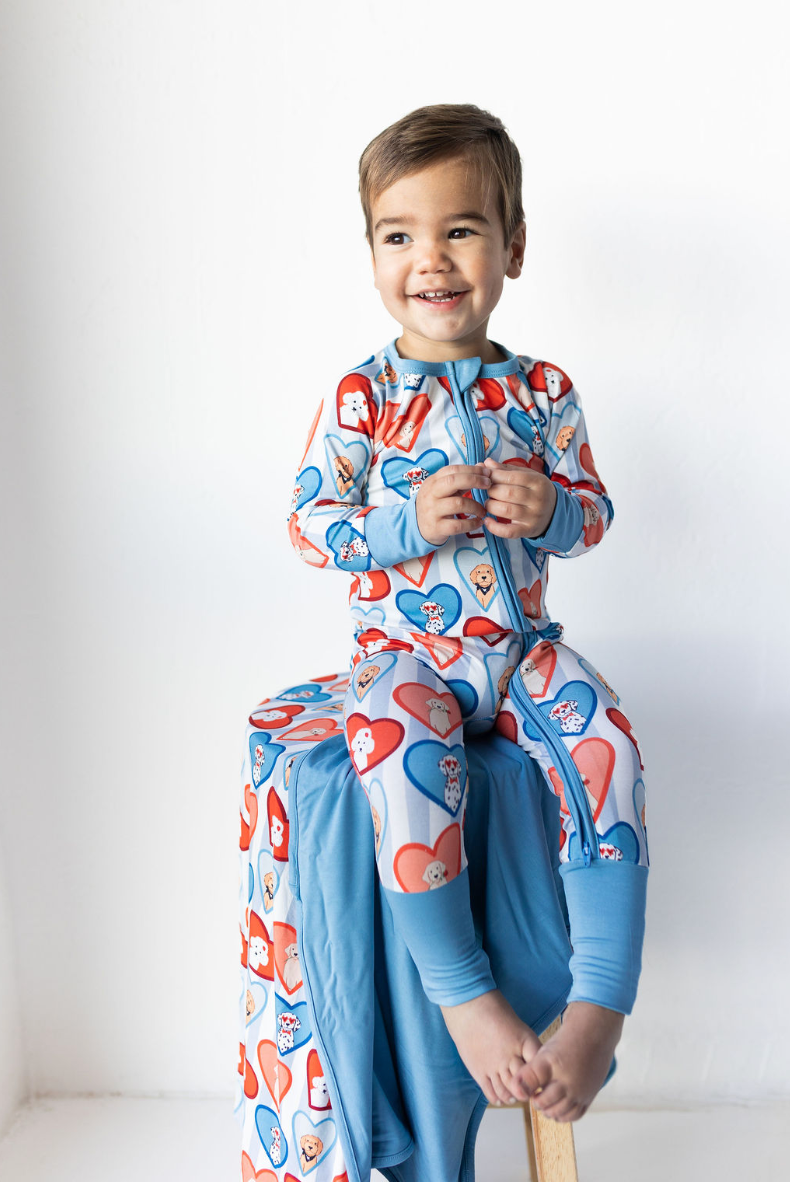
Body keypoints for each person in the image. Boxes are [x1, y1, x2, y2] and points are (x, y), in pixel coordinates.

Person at [286, 103, 649, 1122]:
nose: (431, 260)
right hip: (404, 659)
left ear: (512, 248)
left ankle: (599, 1006)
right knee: (394, 745)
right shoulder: (363, 398)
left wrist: (554, 510)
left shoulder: (542, 390)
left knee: (607, 738)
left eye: (460, 229)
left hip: (523, 655)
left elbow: (593, 514)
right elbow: (311, 525)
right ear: (372, 257)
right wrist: (400, 523)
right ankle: (461, 995)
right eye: (399, 235)